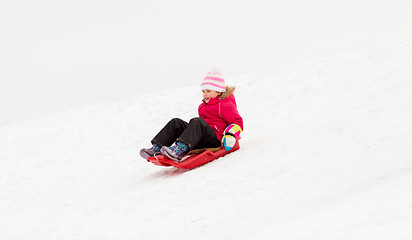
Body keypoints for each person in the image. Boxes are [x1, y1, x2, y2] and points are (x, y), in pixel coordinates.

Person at [140, 67, 243, 162]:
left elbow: (238, 122)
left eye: (208, 91)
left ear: (219, 92)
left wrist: (230, 135)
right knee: (176, 122)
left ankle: (179, 150)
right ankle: (156, 148)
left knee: (197, 121)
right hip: (203, 138)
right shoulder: (203, 106)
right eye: (203, 91)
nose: (205, 94)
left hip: (215, 140)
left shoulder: (224, 105)